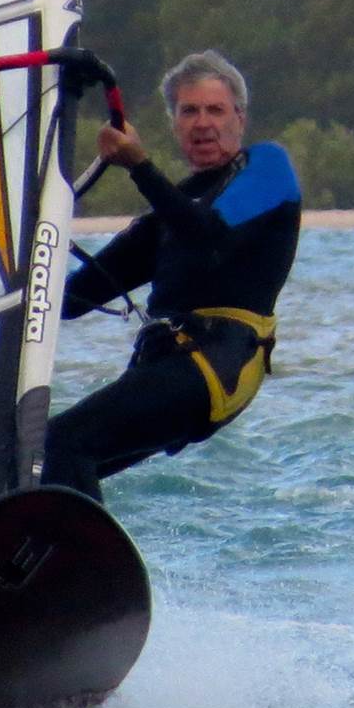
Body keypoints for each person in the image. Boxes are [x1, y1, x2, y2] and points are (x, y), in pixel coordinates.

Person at [42, 50, 301, 500]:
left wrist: (140, 166)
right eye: (190, 111)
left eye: (216, 110)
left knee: (62, 443)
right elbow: (72, 301)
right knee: (42, 456)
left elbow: (209, 239)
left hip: (217, 361)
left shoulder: (267, 168)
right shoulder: (169, 212)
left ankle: (88, 569)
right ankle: (44, 558)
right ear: (175, 123)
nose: (204, 123)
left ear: (239, 118)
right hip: (168, 364)